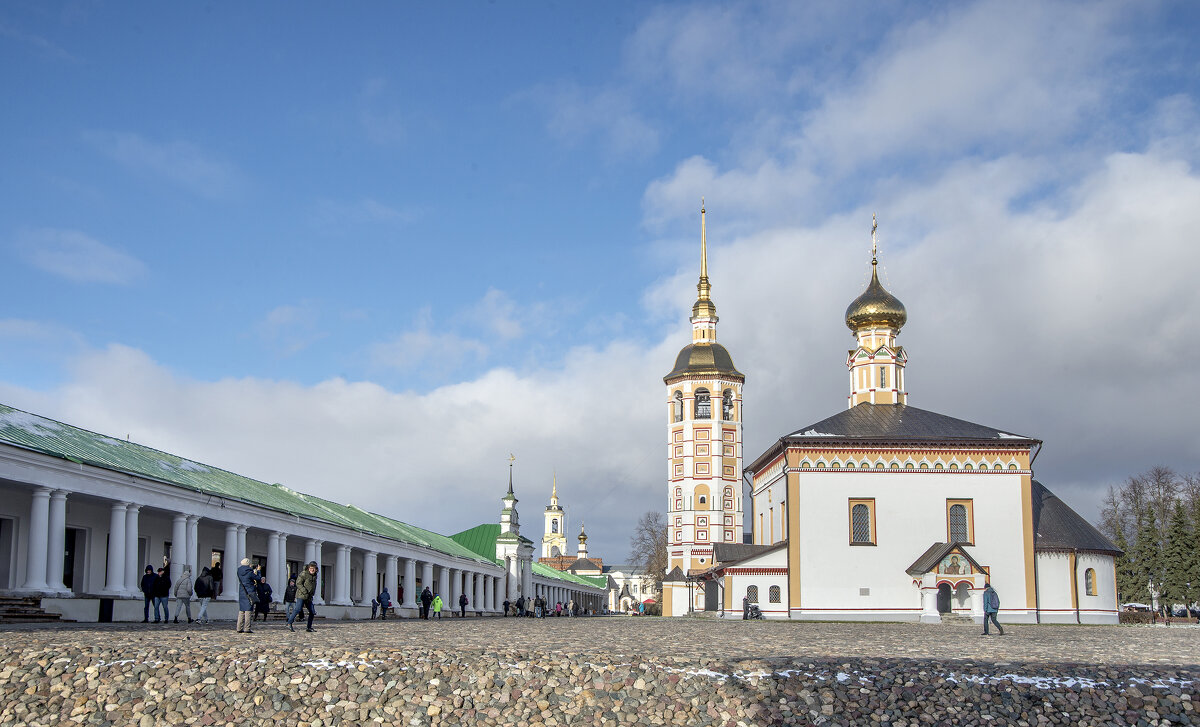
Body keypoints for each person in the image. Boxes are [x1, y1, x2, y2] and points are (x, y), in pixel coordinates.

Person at [290, 561, 318, 633]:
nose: (312, 570)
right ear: (308, 568)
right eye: (311, 568)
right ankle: (289, 623)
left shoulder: (315, 576)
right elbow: (298, 583)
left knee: (312, 612)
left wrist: (312, 594)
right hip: (301, 595)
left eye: (314, 568)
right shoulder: (304, 573)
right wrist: (304, 591)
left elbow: (313, 586)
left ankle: (309, 627)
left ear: (316, 569)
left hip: (309, 597)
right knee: (298, 609)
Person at [235, 558, 258, 633]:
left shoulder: (239, 571)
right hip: (249, 592)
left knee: (241, 610)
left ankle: (239, 628)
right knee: (248, 611)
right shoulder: (249, 572)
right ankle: (247, 628)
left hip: (242, 592)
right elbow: (257, 578)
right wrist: (258, 571)